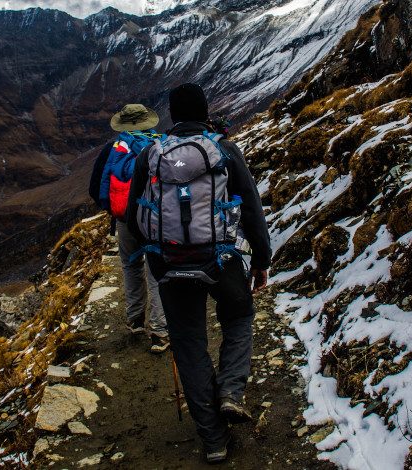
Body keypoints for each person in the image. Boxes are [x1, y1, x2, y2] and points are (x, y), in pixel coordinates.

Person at [126, 84, 271, 463]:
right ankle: (231, 393)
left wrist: (155, 256)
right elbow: (252, 207)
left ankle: (214, 441)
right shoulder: (223, 149)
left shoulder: (150, 155)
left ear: (172, 116)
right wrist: (260, 259)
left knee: (189, 346)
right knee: (238, 318)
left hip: (171, 266)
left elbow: (133, 217)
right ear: (206, 111)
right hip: (220, 260)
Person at [89, 103, 170, 353]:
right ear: (149, 122)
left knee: (130, 265)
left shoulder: (114, 149)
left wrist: (115, 209)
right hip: (155, 219)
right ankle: (159, 331)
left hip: (125, 219)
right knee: (156, 270)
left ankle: (135, 320)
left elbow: (95, 187)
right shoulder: (162, 145)